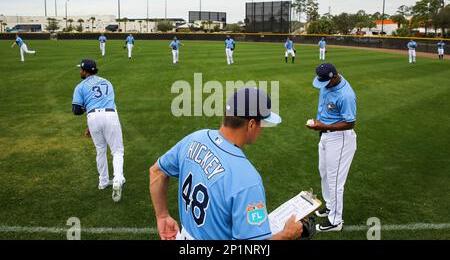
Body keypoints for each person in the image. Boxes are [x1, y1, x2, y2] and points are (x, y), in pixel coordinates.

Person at [149, 87, 304, 240]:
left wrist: (162, 216)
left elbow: (156, 171)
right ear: (250, 125)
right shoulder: (247, 179)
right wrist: (287, 235)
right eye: (262, 123)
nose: (262, 128)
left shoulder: (195, 138)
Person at [306, 63, 357, 232]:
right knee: (324, 172)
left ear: (334, 77)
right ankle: (329, 206)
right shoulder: (328, 83)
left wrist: (324, 126)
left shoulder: (346, 95)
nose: (323, 86)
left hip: (340, 138)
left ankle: (336, 221)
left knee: (335, 181)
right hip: (325, 135)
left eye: (326, 82)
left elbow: (350, 123)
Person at [72, 59, 126, 202]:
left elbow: (76, 110)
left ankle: (103, 182)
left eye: (81, 69)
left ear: (85, 71)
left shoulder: (80, 86)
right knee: (117, 151)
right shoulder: (107, 82)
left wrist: (88, 112)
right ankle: (117, 180)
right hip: (110, 114)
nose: (80, 71)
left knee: (100, 150)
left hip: (93, 117)